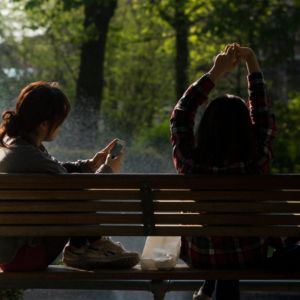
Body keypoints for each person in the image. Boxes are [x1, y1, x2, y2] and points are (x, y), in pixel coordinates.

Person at [170, 44, 276, 300]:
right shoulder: (256, 162)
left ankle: (208, 288)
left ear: (205, 128)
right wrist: (252, 62)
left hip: (201, 255)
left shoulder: (192, 164)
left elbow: (181, 115)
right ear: (246, 132)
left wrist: (215, 72)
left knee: (217, 236)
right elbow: (263, 116)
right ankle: (210, 289)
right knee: (233, 241)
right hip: (249, 254)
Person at [0, 81, 140, 272]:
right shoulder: (30, 156)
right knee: (76, 193)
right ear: (44, 124)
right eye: (59, 123)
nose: (61, 128)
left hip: (11, 253)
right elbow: (79, 189)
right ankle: (92, 245)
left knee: (70, 189)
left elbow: (60, 171)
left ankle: (83, 247)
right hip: (28, 253)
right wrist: (108, 170)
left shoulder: (14, 145)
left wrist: (91, 164)